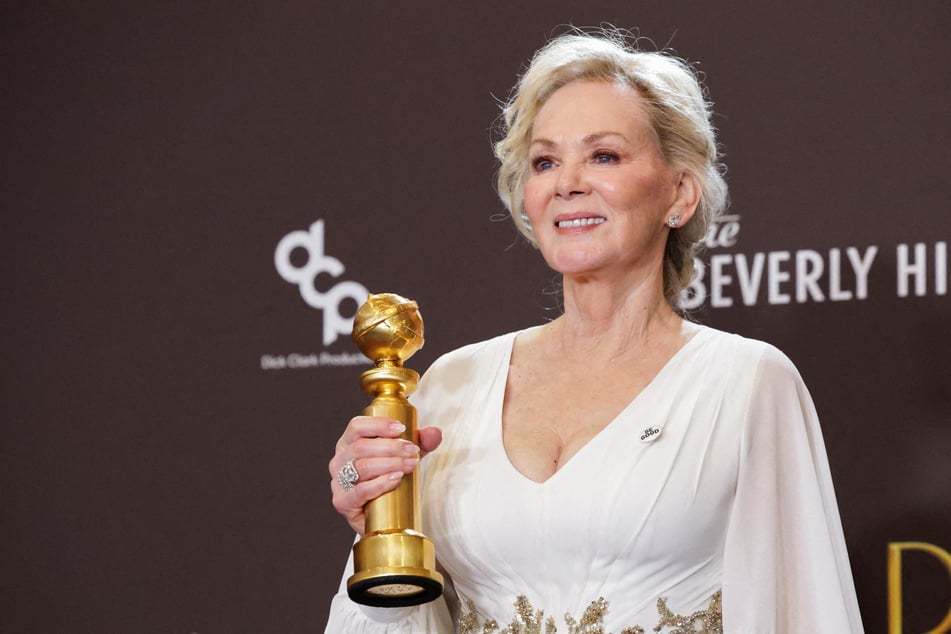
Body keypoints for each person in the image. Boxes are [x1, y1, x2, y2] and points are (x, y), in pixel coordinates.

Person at [326, 29, 864, 633]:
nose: (567, 182)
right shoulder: (452, 383)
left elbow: (800, 610)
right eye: (545, 161)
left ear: (680, 194)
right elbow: (405, 611)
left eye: (603, 156)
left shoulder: (747, 382)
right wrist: (370, 513)